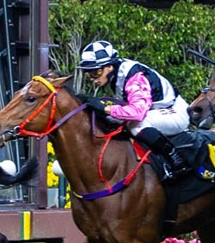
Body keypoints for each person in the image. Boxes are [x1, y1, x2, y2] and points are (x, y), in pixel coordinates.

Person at [75, 39, 200, 182]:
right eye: (89, 73)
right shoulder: (118, 74)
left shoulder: (133, 77)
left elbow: (137, 112)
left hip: (175, 112)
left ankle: (177, 160)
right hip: (158, 111)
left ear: (109, 66)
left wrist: (106, 108)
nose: (93, 78)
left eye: (96, 72)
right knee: (111, 120)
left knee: (137, 124)